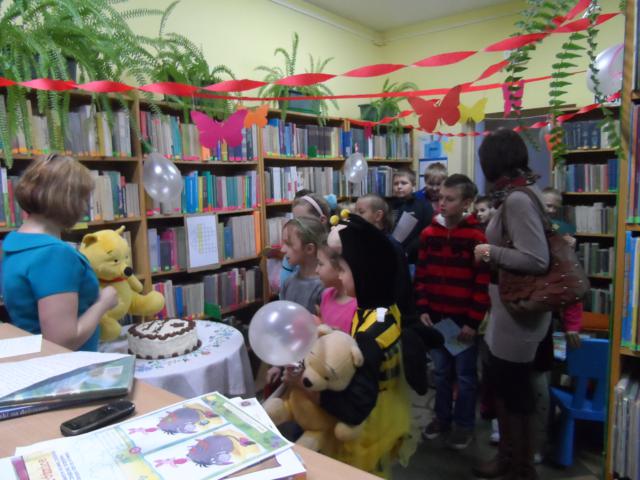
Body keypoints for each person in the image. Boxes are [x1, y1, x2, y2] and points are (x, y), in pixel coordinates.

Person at [472, 129, 551, 480]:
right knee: (507, 390)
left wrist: (490, 252)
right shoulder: (522, 191)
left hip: (517, 315)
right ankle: (508, 460)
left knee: (514, 395)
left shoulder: (518, 199)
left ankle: (519, 467)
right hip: (509, 311)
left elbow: (536, 259)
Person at [319, 213, 413, 477]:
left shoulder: (371, 334)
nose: (339, 277)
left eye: (343, 270)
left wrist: (318, 396)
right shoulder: (382, 309)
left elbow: (357, 402)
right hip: (386, 407)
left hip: (370, 421)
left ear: (365, 274)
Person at [2, 154, 118, 351]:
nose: (85, 208)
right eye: (83, 199)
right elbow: (61, 341)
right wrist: (103, 303)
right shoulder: (54, 254)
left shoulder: (14, 244)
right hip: (68, 365)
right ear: (68, 200)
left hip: (35, 358)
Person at [414, 174, 490, 450]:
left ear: (467, 202)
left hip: (462, 321)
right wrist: (423, 307)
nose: (442, 204)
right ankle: (441, 419)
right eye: (440, 198)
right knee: (441, 373)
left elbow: (482, 283)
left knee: (466, 377)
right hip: (436, 317)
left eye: (450, 199)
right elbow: (421, 274)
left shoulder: (476, 237)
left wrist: (472, 322)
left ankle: (464, 425)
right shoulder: (428, 234)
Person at [266, 215, 326, 387]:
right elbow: (284, 328)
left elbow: (322, 336)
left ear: (309, 249)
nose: (282, 249)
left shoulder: (322, 288)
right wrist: (277, 364)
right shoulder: (289, 283)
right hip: (288, 365)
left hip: (311, 370)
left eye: (289, 244)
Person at [279, 192, 330, 291]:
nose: (296, 226)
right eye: (295, 220)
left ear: (322, 220)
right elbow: (284, 289)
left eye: (303, 220)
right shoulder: (292, 255)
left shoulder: (332, 252)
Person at [390, 168, 434, 265]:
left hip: (413, 258)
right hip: (392, 255)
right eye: (396, 184)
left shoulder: (423, 205)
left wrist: (408, 251)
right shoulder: (389, 205)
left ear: (413, 185)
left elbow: (427, 231)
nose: (399, 187)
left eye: (403, 183)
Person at [316, 242, 357, 334]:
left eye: (320, 264)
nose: (316, 270)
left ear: (339, 267)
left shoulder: (356, 306)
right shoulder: (326, 295)